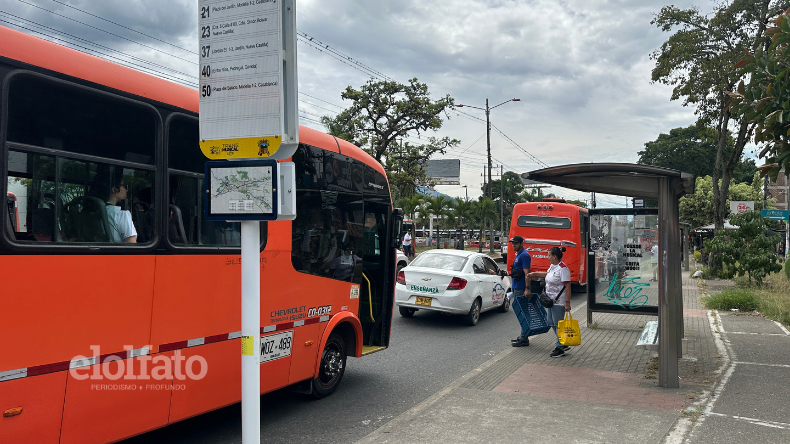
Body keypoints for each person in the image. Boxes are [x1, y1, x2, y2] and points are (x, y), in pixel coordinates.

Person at [528, 246, 571, 358]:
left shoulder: (563, 268)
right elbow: (547, 275)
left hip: (559, 301)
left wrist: (567, 302)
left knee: (558, 323)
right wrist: (534, 274)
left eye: (549, 255)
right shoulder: (553, 266)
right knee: (550, 321)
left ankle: (560, 347)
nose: (547, 257)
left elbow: (568, 286)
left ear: (554, 256)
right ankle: (563, 342)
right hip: (550, 300)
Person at [509, 236, 532, 347]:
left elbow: (527, 273)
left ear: (521, 244)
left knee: (523, 312)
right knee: (521, 312)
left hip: (521, 288)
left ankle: (524, 338)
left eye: (516, 243)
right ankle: (523, 336)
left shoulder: (524, 255)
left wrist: (527, 288)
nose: (514, 245)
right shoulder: (519, 254)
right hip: (516, 286)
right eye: (513, 243)